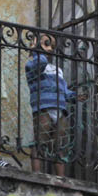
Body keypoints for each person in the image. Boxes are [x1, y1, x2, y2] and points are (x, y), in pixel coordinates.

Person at [25, 35, 74, 175]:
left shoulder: (57, 70)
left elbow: (64, 89)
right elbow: (40, 63)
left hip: (59, 108)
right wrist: (36, 51)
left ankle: (60, 177)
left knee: (60, 144)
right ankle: (37, 173)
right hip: (43, 108)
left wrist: (74, 96)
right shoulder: (32, 65)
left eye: (50, 44)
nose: (48, 47)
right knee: (40, 141)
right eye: (44, 43)